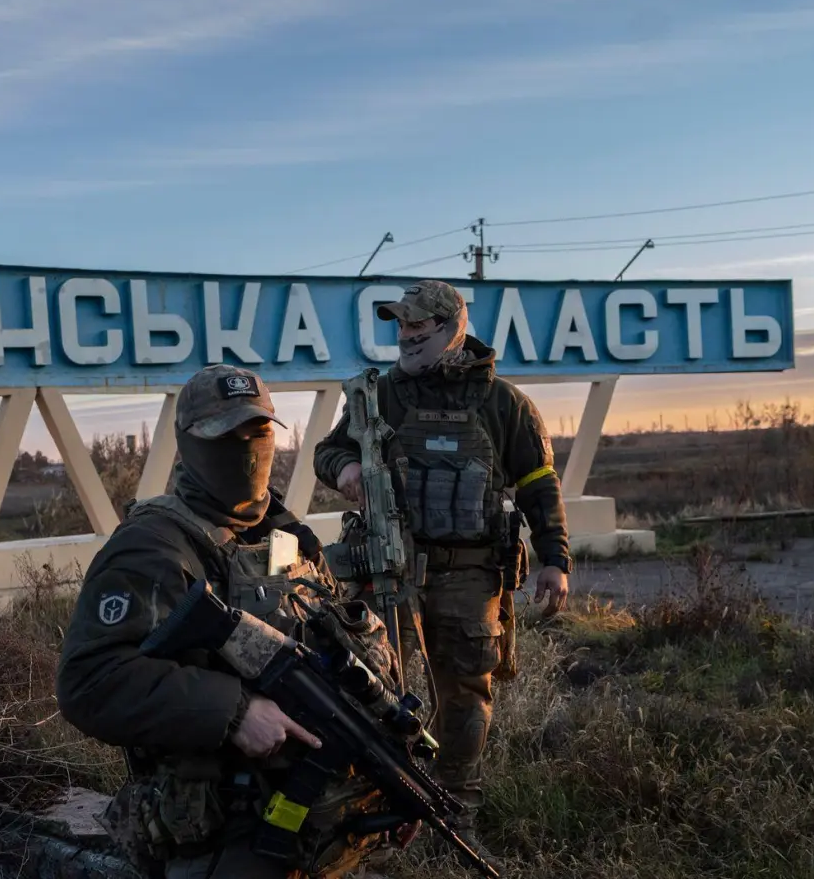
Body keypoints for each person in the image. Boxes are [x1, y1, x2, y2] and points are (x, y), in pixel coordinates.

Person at [56, 364, 402, 879]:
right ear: (190, 443)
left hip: (322, 829)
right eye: (227, 433)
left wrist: (390, 781)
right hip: (228, 837)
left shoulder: (289, 538)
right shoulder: (155, 546)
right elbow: (90, 681)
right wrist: (234, 711)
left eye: (258, 430)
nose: (247, 445)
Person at [312, 279, 573, 858]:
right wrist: (346, 469)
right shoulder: (379, 396)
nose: (405, 337)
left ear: (453, 327)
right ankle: (379, 817)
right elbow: (326, 452)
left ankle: (456, 818)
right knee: (378, 691)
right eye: (399, 327)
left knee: (464, 696)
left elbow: (539, 485)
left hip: (470, 573)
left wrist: (554, 559)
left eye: (418, 327)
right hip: (388, 570)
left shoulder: (504, 404)